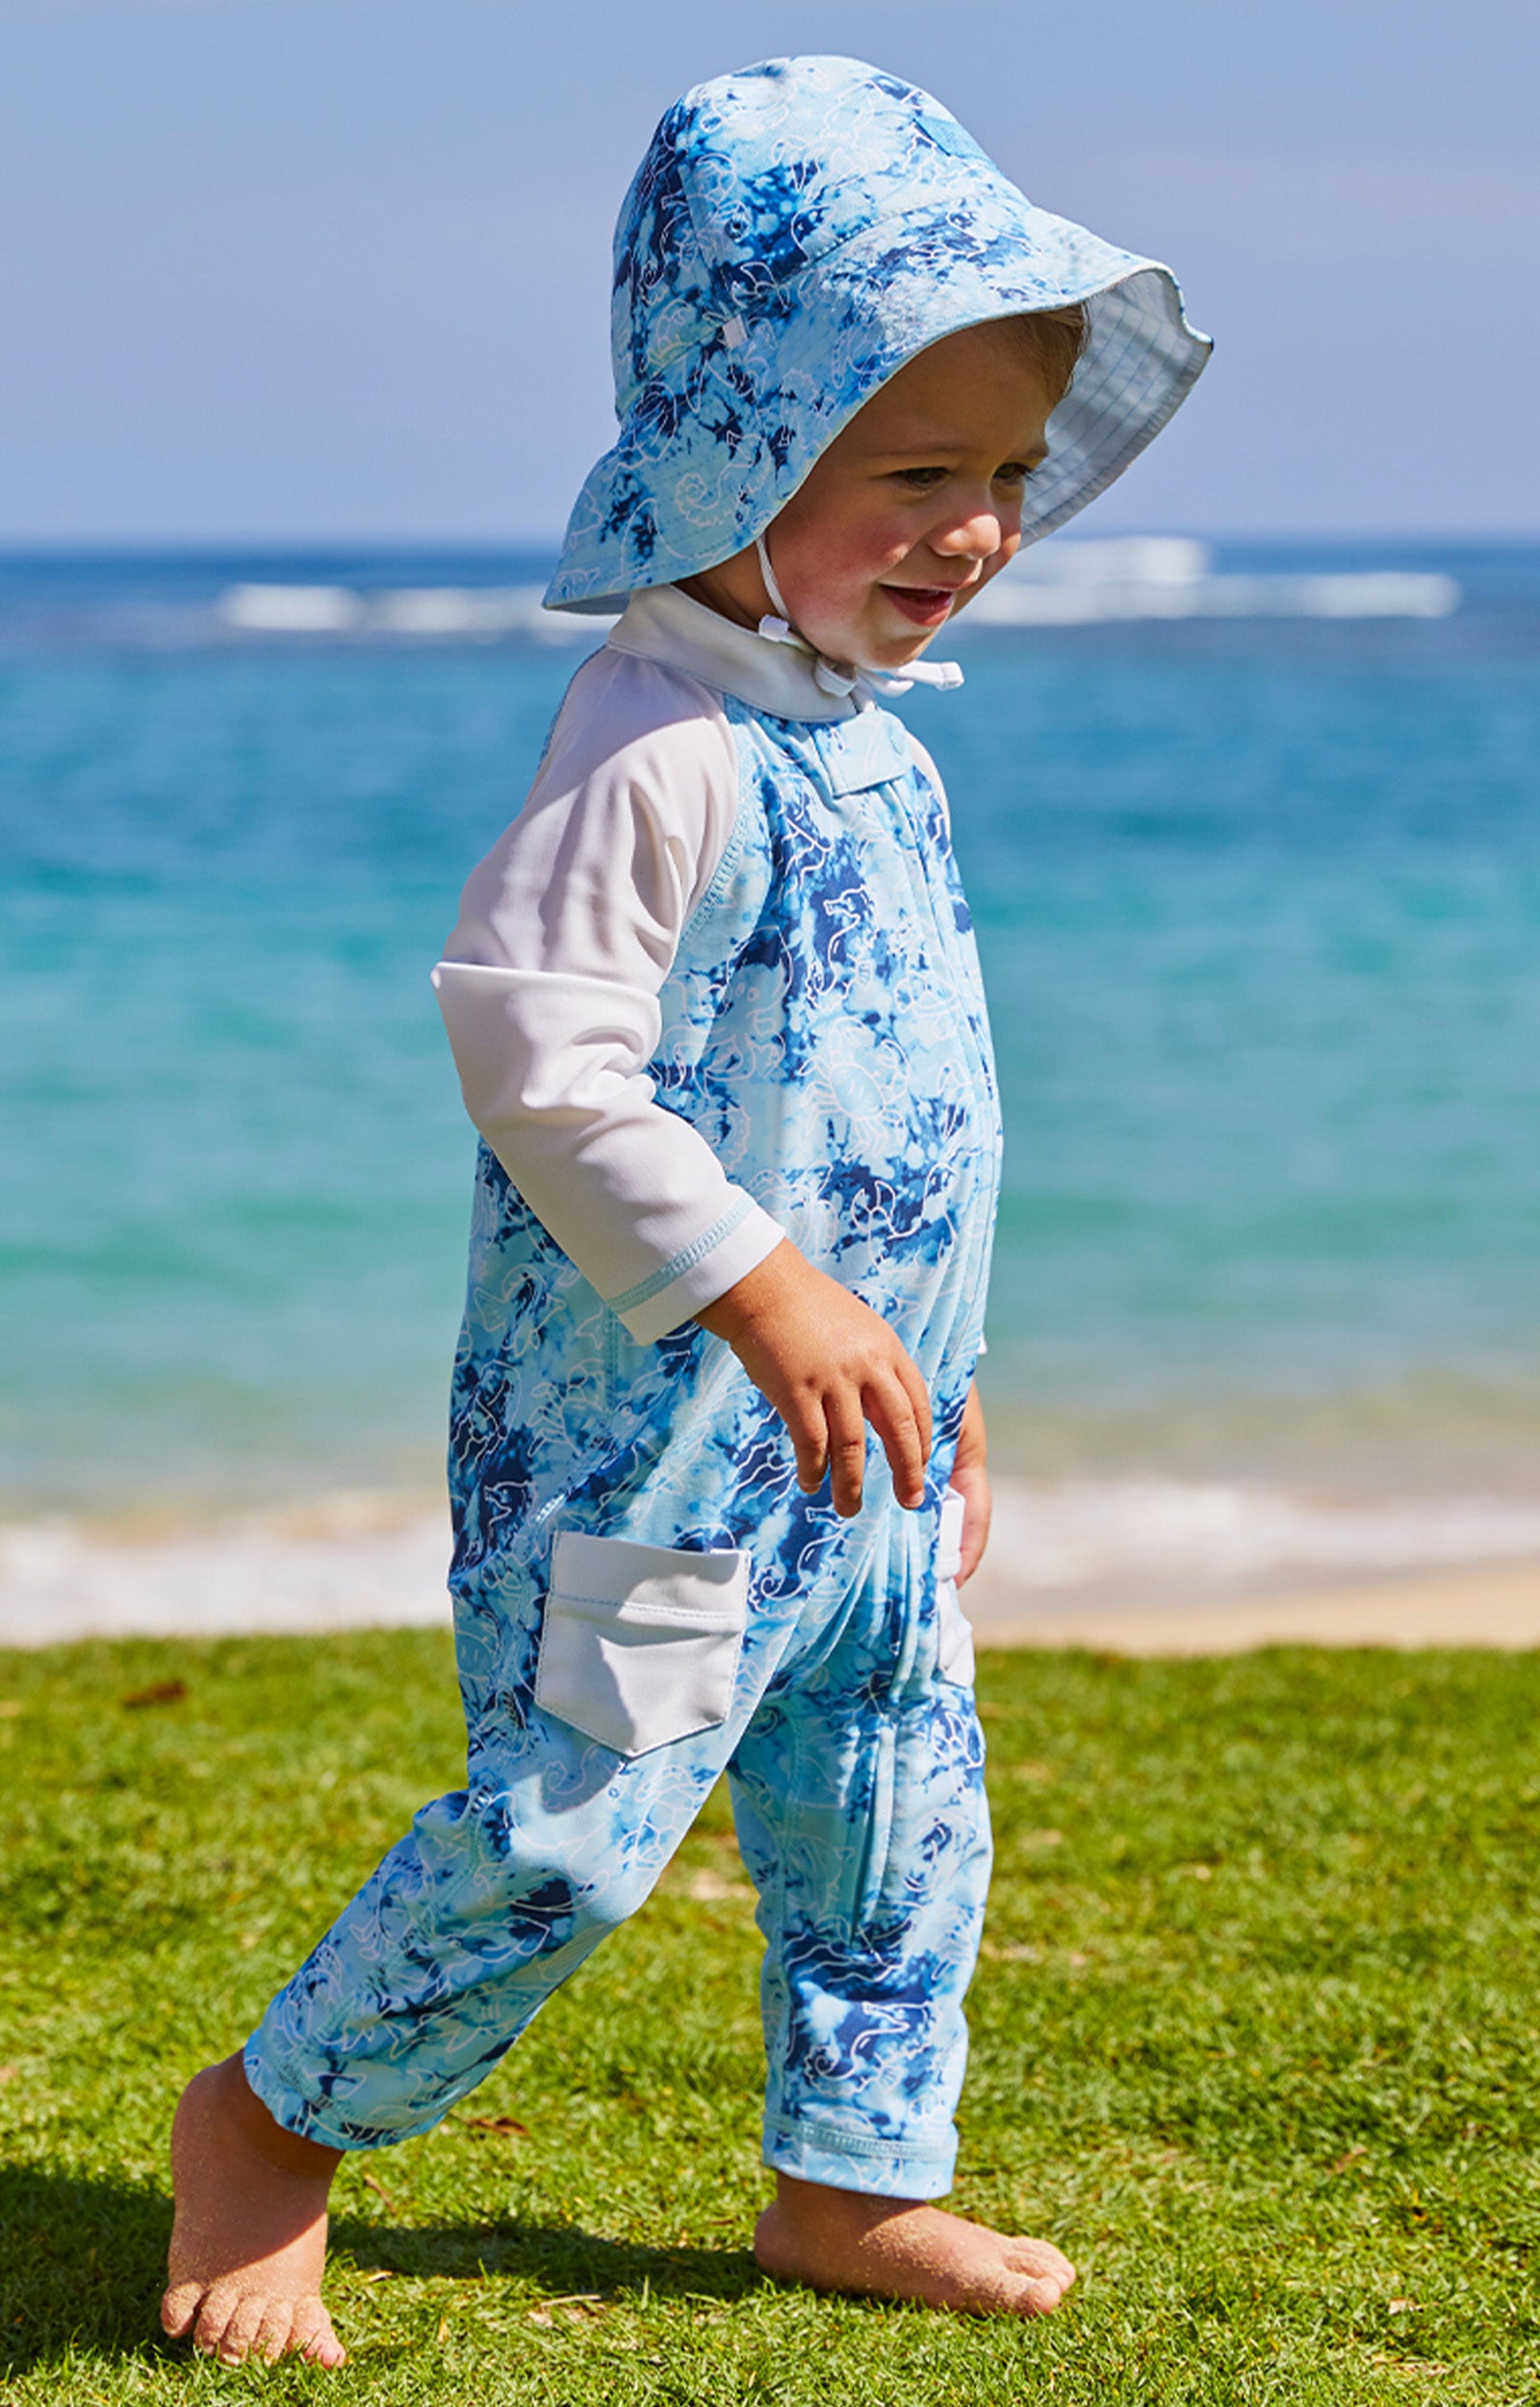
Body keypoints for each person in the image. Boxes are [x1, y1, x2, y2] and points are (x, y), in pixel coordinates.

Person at [161, 55, 1209, 2366]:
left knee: (895, 1815)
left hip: (856, 1446)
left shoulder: (875, 744)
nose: (973, 529)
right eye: (911, 475)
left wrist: (940, 1377)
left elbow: (906, 1117)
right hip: (648, 1454)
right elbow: (536, 1049)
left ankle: (855, 2177)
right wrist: (753, 1285)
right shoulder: (652, 741)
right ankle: (266, 2120)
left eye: (1004, 475)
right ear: (738, 453)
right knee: (563, 1827)